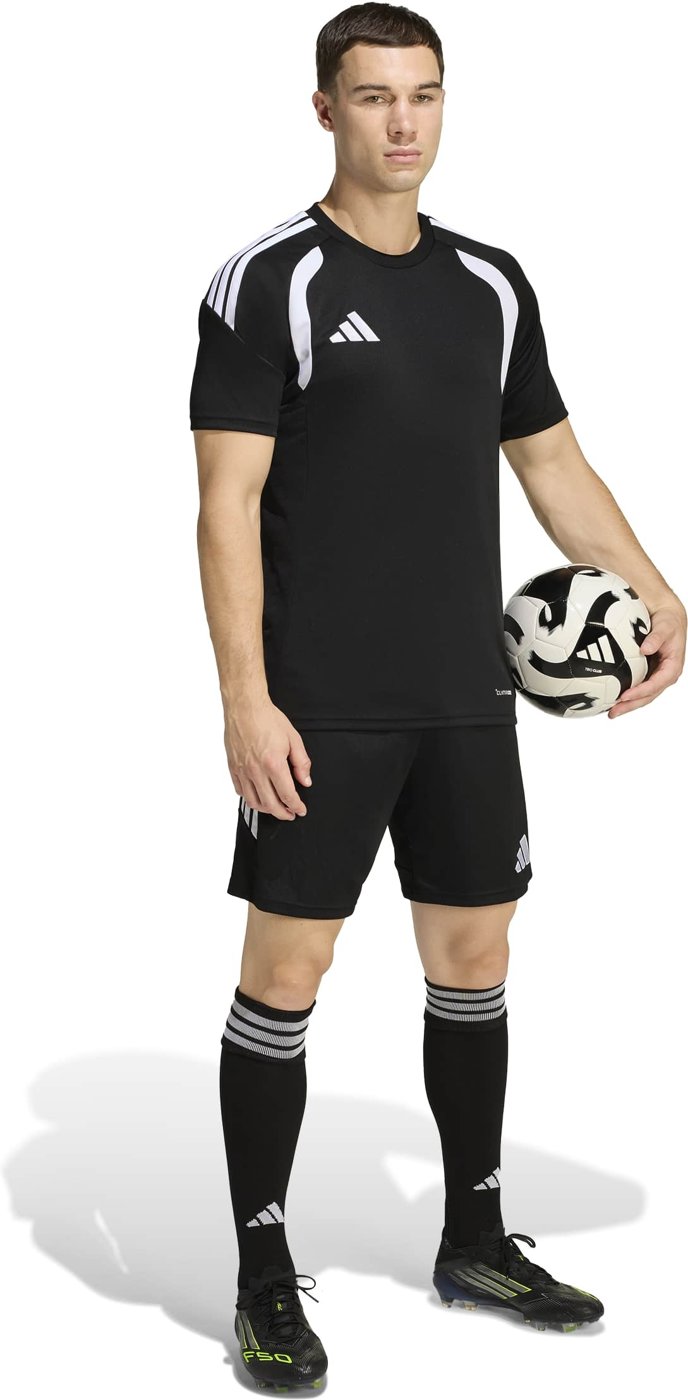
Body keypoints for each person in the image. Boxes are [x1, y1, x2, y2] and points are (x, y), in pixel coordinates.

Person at [189, 4, 686, 1387]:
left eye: (423, 94)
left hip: (469, 695)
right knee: (288, 974)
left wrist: (660, 597)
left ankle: (474, 1238)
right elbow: (224, 505)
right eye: (373, 96)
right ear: (325, 110)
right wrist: (245, 699)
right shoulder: (267, 281)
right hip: (323, 705)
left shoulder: (491, 284)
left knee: (474, 960)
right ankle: (264, 1272)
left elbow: (553, 465)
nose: (401, 121)